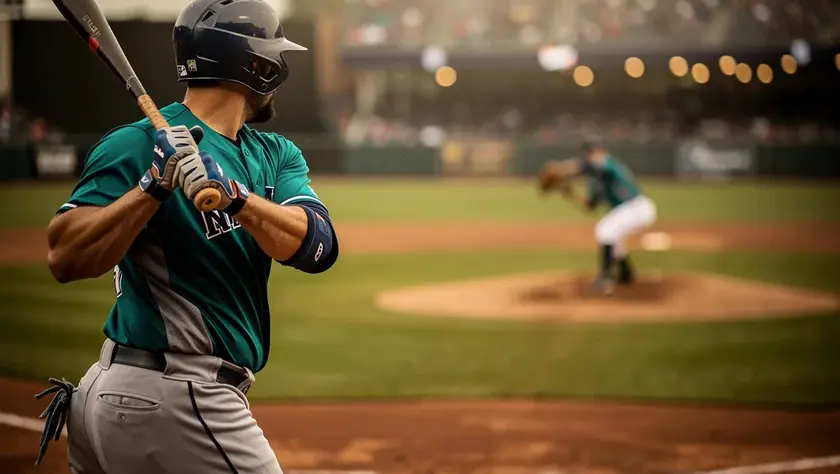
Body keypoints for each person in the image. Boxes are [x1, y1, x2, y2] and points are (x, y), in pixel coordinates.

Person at [34, 1, 339, 472]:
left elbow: (317, 247)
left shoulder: (276, 155)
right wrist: (151, 187)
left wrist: (238, 198)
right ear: (257, 66)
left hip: (143, 403)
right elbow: (65, 257)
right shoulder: (136, 144)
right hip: (178, 397)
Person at [539, 136, 657, 295]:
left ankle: (605, 280)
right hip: (631, 209)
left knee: (605, 230)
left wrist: (561, 168)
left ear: (602, 151)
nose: (593, 154)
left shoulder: (607, 164)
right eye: (590, 152)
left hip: (638, 207)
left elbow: (588, 166)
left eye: (595, 151)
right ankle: (626, 273)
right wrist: (570, 194)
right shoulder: (596, 177)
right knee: (613, 236)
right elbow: (590, 206)